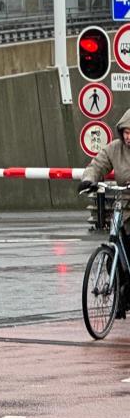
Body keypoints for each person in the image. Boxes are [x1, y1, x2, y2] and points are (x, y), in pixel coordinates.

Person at [80, 109, 130, 317]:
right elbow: (97, 164)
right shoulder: (115, 149)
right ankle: (120, 293)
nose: (128, 136)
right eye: (125, 132)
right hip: (124, 205)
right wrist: (89, 180)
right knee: (116, 251)